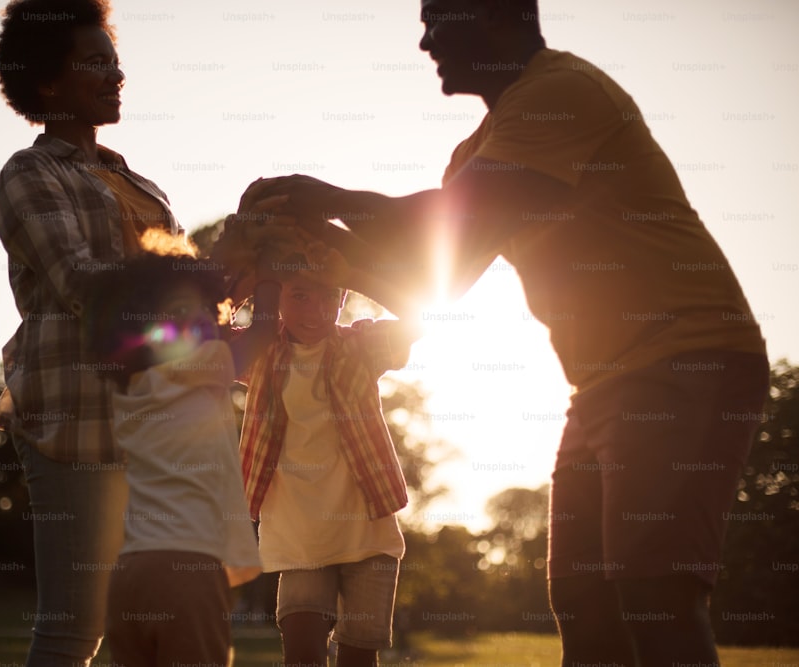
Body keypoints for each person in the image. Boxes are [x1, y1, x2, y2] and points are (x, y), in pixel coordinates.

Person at [240, 1, 770, 664]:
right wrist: (311, 239)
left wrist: (320, 197)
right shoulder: (475, 149)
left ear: (496, 16)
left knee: (653, 587)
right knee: (583, 599)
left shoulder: (562, 92)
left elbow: (444, 219)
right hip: (603, 384)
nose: (425, 39)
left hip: (688, 356)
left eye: (438, 19)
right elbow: (432, 282)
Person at [0, 1, 183, 663]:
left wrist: (251, 269)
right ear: (47, 82)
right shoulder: (30, 173)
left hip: (155, 430)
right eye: (95, 61)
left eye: (114, 58)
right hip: (75, 422)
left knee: (148, 626)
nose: (115, 72)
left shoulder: (142, 187)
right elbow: (81, 284)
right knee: (75, 627)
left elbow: (189, 313)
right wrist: (205, 268)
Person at [79, 250, 282, 666]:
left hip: (129, 576)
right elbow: (262, 334)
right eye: (182, 310)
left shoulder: (128, 391)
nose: (206, 317)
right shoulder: (202, 365)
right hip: (187, 572)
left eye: (207, 307)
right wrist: (269, 274)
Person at [233, 230, 421, 667]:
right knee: (302, 656)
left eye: (328, 297)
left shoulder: (360, 345)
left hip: (368, 533)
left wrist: (355, 270)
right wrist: (255, 278)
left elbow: (420, 316)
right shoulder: (260, 351)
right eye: (299, 296)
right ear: (277, 297)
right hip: (298, 537)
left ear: (342, 298)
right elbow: (200, 333)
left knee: (358, 661)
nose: (316, 312)